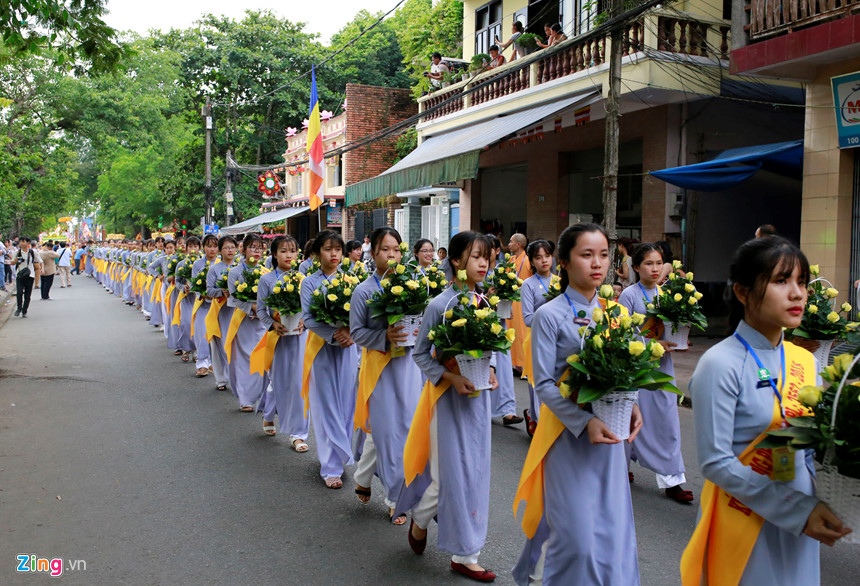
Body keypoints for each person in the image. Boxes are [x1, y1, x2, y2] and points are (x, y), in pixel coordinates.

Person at [681, 236, 851, 585]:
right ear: (743, 292)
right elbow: (716, 462)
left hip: (801, 518)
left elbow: (815, 444)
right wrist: (798, 510)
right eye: (781, 281)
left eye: (801, 282)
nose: (797, 294)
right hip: (745, 517)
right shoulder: (720, 364)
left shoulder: (805, 360)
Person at [512, 223, 642, 585]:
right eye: (586, 255)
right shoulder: (549, 315)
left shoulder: (617, 314)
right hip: (566, 437)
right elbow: (543, 384)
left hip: (610, 437)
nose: (597, 263)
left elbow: (630, 370)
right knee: (576, 536)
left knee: (611, 528)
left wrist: (631, 402)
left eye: (603, 255)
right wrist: (583, 422)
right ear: (565, 262)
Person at [398, 230, 500, 583]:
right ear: (456, 261)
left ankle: (465, 555)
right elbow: (420, 354)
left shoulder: (485, 302)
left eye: (487, 256)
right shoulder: (439, 305)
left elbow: (491, 350)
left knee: (475, 475)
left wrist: (490, 370)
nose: (484, 263)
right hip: (446, 400)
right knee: (447, 479)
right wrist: (450, 377)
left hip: (477, 400)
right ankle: (421, 519)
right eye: (476, 256)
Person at [350, 227, 424, 525]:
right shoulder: (364, 291)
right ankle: (396, 498)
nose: (391, 255)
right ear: (374, 253)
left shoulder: (414, 285)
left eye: (396, 249)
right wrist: (384, 336)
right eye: (384, 249)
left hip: (409, 368)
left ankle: (363, 475)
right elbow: (356, 333)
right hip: (379, 369)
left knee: (398, 430)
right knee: (390, 434)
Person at [618, 243, 692, 503]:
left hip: (662, 367)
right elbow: (621, 334)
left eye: (659, 263)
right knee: (630, 419)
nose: (655, 268)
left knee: (667, 422)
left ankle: (672, 478)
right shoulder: (629, 295)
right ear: (636, 267)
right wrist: (652, 344)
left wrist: (679, 340)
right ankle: (621, 466)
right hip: (637, 368)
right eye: (649, 263)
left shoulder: (667, 294)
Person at [300, 230, 357, 489]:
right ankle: (330, 465)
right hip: (321, 349)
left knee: (346, 402)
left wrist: (350, 332)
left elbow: (363, 314)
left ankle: (341, 453)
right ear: (316, 253)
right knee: (325, 405)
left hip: (348, 349)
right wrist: (335, 334)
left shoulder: (352, 280)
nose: (333, 254)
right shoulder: (309, 283)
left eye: (338, 249)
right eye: (327, 249)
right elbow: (309, 319)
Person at [256, 235, 310, 450]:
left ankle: (298, 434)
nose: (289, 255)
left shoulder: (303, 279)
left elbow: (310, 309)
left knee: (299, 384)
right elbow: (261, 310)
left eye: (293, 251)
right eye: (284, 251)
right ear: (274, 254)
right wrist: (273, 324)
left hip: (300, 339)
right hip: (277, 339)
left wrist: (305, 321)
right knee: (276, 382)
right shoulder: (266, 280)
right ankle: (269, 414)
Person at [226, 234, 269, 412]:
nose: (256, 251)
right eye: (252, 247)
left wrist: (262, 310)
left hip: (263, 321)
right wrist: (251, 307)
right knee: (245, 357)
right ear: (243, 250)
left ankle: (262, 397)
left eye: (259, 248)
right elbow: (233, 298)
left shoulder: (266, 272)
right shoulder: (235, 272)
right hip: (243, 321)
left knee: (263, 356)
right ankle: (246, 399)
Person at [520, 239, 556, 436]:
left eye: (547, 256)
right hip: (536, 341)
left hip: (557, 341)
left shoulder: (560, 282)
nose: (544, 261)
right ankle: (536, 419)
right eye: (538, 257)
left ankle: (548, 422)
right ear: (532, 261)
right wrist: (549, 311)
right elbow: (527, 318)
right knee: (537, 384)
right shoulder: (528, 284)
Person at [486, 234, 523, 426]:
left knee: (504, 366)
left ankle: (508, 410)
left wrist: (507, 304)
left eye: (489, 249)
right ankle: (485, 407)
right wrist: (487, 296)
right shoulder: (479, 271)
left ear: (497, 251)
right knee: (486, 365)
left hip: (500, 323)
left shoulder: (504, 270)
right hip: (484, 325)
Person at [508, 233, 532, 371]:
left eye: (511, 242)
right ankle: (514, 363)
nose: (508, 244)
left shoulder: (528, 261)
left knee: (522, 333)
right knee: (511, 333)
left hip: (523, 301)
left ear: (518, 244)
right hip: (510, 301)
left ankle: (524, 365)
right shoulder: (510, 260)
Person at [13, 237, 42, 318]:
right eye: (20, 241)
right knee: (19, 293)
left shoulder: (33, 252)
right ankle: (19, 308)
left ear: (28, 243)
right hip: (20, 275)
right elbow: (12, 262)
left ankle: (24, 310)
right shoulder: (17, 252)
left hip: (30, 275)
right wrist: (16, 260)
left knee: (27, 295)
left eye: (23, 241)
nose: (21, 243)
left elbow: (40, 261)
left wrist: (42, 269)